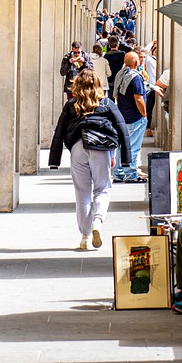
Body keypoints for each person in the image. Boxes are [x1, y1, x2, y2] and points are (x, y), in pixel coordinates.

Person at [48, 69, 131, 251]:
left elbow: (59, 131)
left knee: (82, 193)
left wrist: (54, 160)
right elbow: (121, 128)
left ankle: (85, 236)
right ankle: (98, 222)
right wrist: (124, 158)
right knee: (102, 189)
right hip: (101, 149)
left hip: (78, 148)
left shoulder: (71, 104)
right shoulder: (107, 103)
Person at [112, 50, 148, 183]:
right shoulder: (136, 77)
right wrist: (143, 114)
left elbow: (116, 95)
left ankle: (118, 172)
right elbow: (138, 99)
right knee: (133, 147)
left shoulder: (120, 75)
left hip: (122, 116)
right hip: (134, 118)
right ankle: (131, 173)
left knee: (122, 146)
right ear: (136, 62)